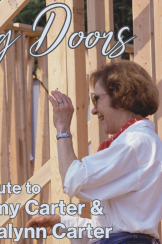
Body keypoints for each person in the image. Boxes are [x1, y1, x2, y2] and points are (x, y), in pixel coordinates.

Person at [26, 61, 162, 244]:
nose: (94, 109)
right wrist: (63, 222)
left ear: (120, 98)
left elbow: (75, 180)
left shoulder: (135, 143)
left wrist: (62, 129)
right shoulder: (136, 142)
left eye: (96, 98)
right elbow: (105, 231)